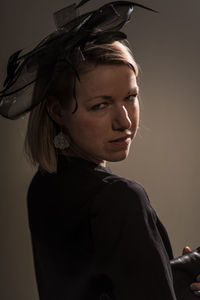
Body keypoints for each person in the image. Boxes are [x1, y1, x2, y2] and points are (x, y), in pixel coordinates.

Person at [0, 1, 200, 300]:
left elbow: (100, 287)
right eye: (100, 105)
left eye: (130, 97)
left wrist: (179, 270)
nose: (125, 121)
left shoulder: (44, 184)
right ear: (57, 111)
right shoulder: (119, 199)